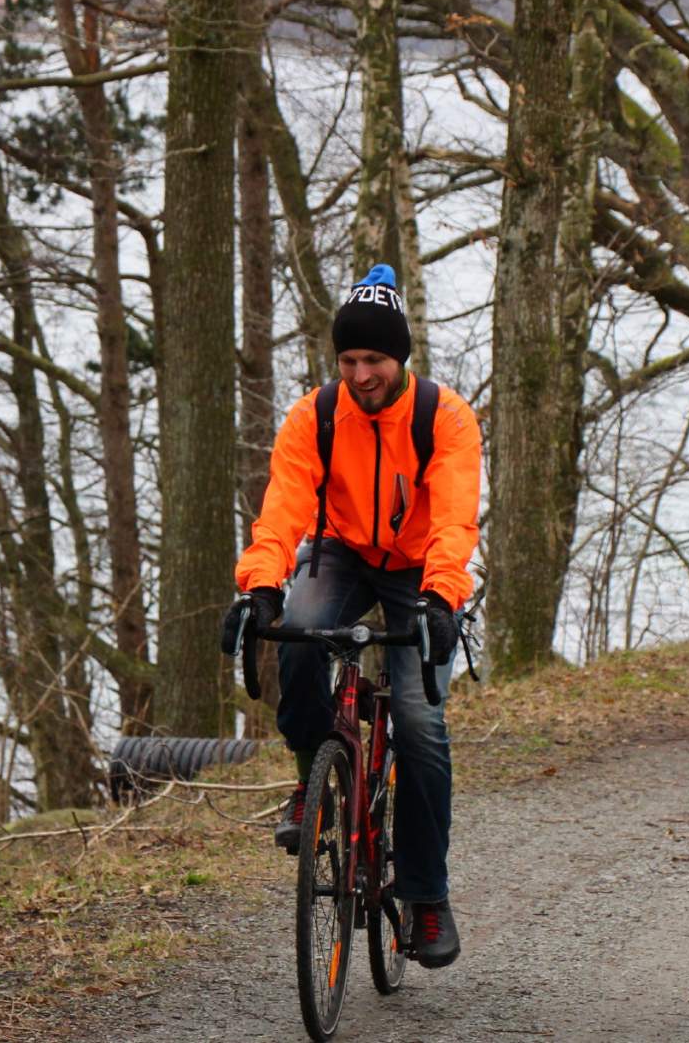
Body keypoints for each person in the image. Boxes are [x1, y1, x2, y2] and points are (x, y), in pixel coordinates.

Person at [219, 265, 481, 969]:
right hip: (340, 553)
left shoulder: (444, 417)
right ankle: (312, 778)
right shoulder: (315, 415)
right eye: (349, 360)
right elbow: (283, 508)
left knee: (422, 724)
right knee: (299, 637)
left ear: (401, 359)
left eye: (374, 360)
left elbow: (456, 520)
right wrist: (260, 586)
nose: (361, 374)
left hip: (418, 569)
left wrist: (442, 597)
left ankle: (426, 897)